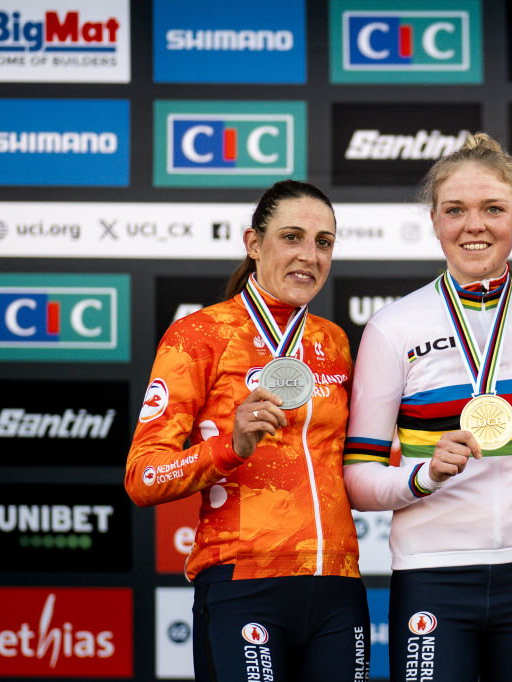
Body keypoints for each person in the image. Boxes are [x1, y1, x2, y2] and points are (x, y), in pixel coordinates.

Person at [342, 133, 512, 682]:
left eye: (493, 209)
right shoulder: (392, 327)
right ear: (434, 220)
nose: (475, 225)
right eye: (456, 210)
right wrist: (422, 477)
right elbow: (358, 478)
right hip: (432, 573)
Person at [125, 180, 370, 682]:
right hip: (244, 582)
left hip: (338, 587)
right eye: (292, 237)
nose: (309, 255)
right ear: (253, 244)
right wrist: (227, 448)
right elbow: (142, 476)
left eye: (323, 242)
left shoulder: (335, 342)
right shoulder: (200, 334)